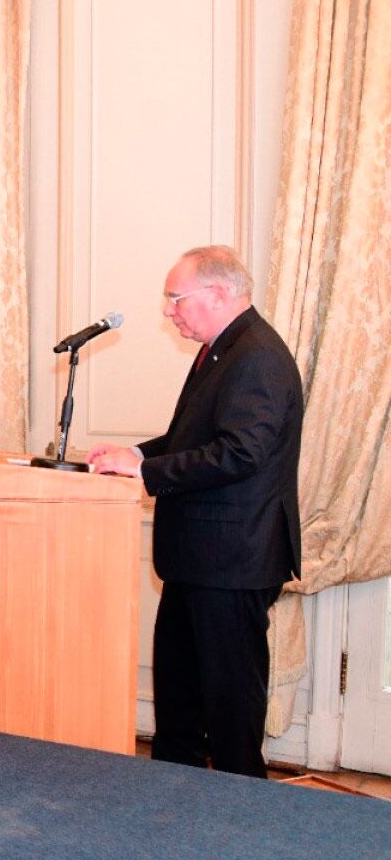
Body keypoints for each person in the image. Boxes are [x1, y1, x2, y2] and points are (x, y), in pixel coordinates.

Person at [89, 245, 303, 778]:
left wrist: (147, 474)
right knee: (181, 696)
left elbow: (240, 452)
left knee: (229, 706)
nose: (169, 311)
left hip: (233, 560)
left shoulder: (256, 356)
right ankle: (172, 804)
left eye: (175, 298)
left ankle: (238, 812)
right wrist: (137, 454)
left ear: (217, 294)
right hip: (201, 559)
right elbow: (195, 437)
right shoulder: (222, 349)